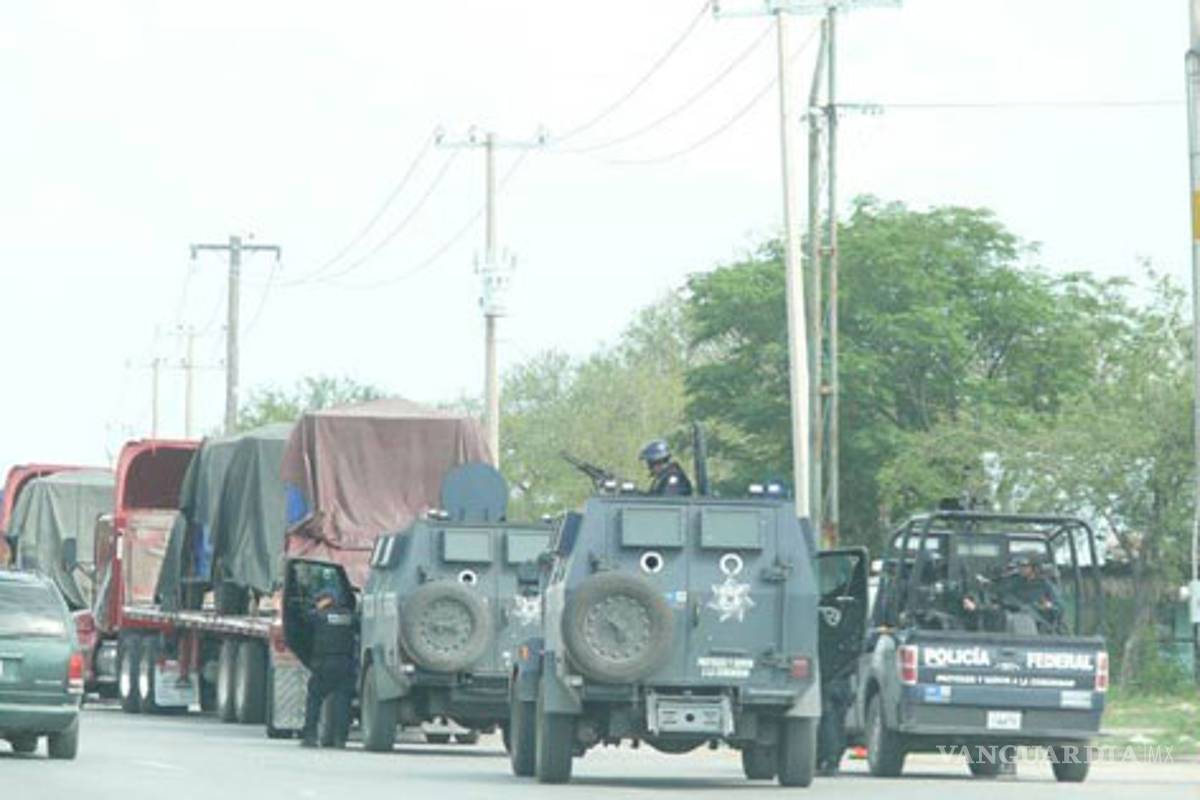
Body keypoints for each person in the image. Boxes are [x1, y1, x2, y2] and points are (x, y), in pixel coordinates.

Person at [300, 586, 358, 748]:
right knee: (342, 702)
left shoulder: (318, 616)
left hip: (323, 664)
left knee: (314, 699)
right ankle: (340, 739)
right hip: (345, 664)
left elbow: (301, 621)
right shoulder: (349, 617)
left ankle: (310, 736)